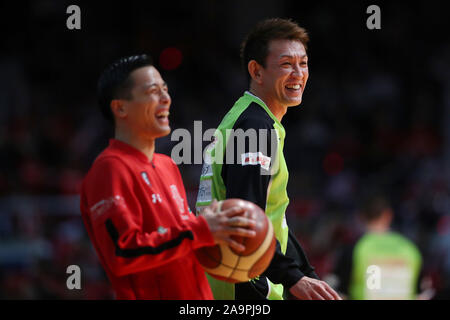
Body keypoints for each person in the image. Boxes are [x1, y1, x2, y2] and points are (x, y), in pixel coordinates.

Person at [79, 54, 257, 300]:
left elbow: (181, 241)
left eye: (165, 89)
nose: (166, 99)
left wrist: (219, 236)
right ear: (120, 107)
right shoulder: (109, 169)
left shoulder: (167, 165)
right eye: (153, 91)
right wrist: (202, 229)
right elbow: (123, 252)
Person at [196, 18, 341, 300]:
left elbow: (273, 220)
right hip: (241, 288)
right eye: (287, 64)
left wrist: (306, 275)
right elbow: (245, 221)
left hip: (225, 282)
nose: (298, 73)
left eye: (304, 63)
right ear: (257, 71)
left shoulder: (245, 117)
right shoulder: (255, 127)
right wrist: (291, 277)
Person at [333, 194, 427, 300]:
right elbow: (421, 294)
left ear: (361, 216)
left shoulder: (354, 249)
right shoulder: (411, 249)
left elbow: (338, 293)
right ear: (388, 215)